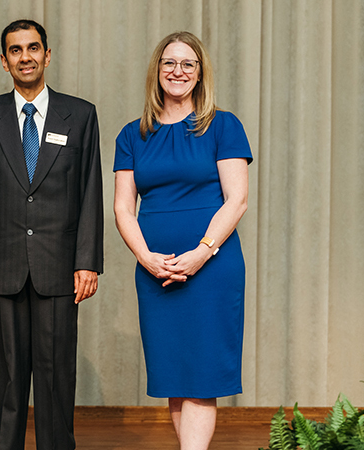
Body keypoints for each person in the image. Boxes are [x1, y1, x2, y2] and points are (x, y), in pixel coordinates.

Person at [0, 19, 103, 450]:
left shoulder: (80, 114)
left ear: (48, 54)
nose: (26, 57)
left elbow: (90, 191)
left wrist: (87, 261)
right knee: (8, 379)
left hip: (60, 268)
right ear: (4, 61)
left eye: (33, 47)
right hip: (0, 268)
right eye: (16, 50)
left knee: (57, 377)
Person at [112, 31, 252, 450]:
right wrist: (146, 258)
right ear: (157, 71)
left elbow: (237, 199)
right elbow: (122, 209)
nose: (178, 71)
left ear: (200, 73)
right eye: (169, 63)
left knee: (202, 375)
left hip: (212, 269)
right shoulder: (132, 135)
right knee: (175, 373)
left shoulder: (222, 125)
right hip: (156, 270)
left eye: (188, 64)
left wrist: (201, 253)